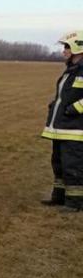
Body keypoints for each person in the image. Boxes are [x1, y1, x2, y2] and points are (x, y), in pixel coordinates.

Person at [42, 32, 83, 212]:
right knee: (58, 164)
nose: (64, 50)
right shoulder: (70, 70)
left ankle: (75, 203)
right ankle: (58, 197)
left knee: (72, 166)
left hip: (75, 129)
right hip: (61, 127)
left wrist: (74, 109)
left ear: (78, 48)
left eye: (67, 46)